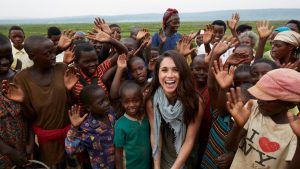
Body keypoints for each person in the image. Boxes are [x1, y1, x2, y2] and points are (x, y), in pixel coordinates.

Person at [10, 36, 77, 167]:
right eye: (48, 53)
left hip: (68, 135)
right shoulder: (22, 79)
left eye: (54, 51)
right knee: (51, 164)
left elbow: (72, 104)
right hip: (46, 139)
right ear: (32, 57)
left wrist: (70, 90)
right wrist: (23, 102)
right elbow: (30, 117)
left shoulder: (62, 69)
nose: (53, 56)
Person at [226, 68, 300, 169]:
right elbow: (229, 147)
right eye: (260, 94)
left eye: (268, 98)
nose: (260, 100)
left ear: (290, 104)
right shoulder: (252, 107)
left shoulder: (295, 130)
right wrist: (237, 126)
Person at [146, 50, 204, 169]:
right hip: (162, 155)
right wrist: (157, 167)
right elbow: (155, 134)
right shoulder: (152, 101)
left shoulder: (195, 102)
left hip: (185, 158)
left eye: (176, 70)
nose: (170, 75)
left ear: (183, 73)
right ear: (157, 74)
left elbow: (189, 140)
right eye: (164, 70)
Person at [0, 33, 32, 168]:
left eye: (8, 55)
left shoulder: (20, 78)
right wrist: (9, 151)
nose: (4, 61)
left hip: (24, 146)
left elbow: (31, 116)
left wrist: (30, 143)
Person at [65, 85, 115, 169]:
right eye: (100, 102)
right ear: (88, 108)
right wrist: (74, 127)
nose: (107, 103)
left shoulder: (110, 111)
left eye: (106, 99)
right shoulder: (87, 128)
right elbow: (70, 150)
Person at [114, 81, 151, 169]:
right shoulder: (120, 125)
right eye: (127, 102)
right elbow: (118, 152)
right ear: (122, 102)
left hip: (147, 165)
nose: (131, 105)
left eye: (135, 101)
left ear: (141, 100)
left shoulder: (147, 117)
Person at [190, 54, 213, 166]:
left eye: (206, 69)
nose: (201, 72)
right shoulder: (188, 84)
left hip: (207, 136)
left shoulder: (213, 88)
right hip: (189, 135)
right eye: (197, 69)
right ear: (191, 69)